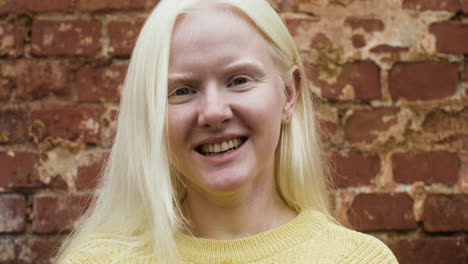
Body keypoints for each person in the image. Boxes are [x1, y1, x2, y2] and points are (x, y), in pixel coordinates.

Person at [56, 0, 398, 263]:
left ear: (289, 94)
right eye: (182, 90)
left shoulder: (357, 259)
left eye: (239, 80)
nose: (214, 113)